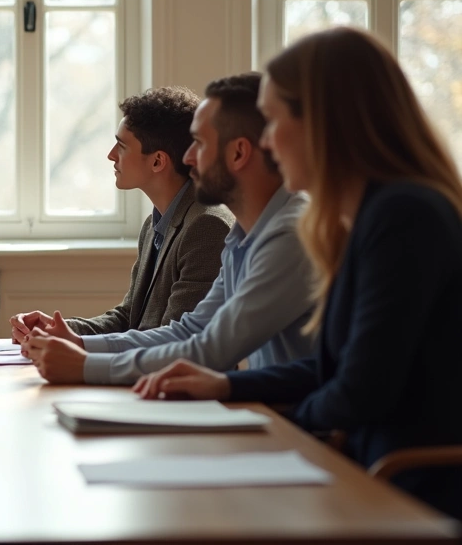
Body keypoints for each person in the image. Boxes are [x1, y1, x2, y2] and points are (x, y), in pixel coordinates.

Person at [135, 28, 462, 520]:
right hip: (361, 471)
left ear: (325, 123)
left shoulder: (404, 216)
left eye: (273, 120)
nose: (265, 141)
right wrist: (229, 388)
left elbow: (360, 392)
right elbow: (340, 369)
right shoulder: (369, 215)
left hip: (401, 489)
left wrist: (267, 428)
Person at [24, 73, 317, 384]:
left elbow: (212, 351)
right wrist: (80, 344)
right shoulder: (244, 234)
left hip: (304, 426)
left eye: (200, 144)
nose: (188, 158)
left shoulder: (287, 235)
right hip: (275, 413)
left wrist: (85, 365)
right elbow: (192, 329)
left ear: (238, 153)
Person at [11, 87, 232, 343]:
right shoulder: (155, 224)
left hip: (173, 380)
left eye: (122, 146)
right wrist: (59, 330)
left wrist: (78, 346)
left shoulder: (207, 226)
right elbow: (129, 317)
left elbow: (177, 342)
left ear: (158, 161)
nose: (111, 155)